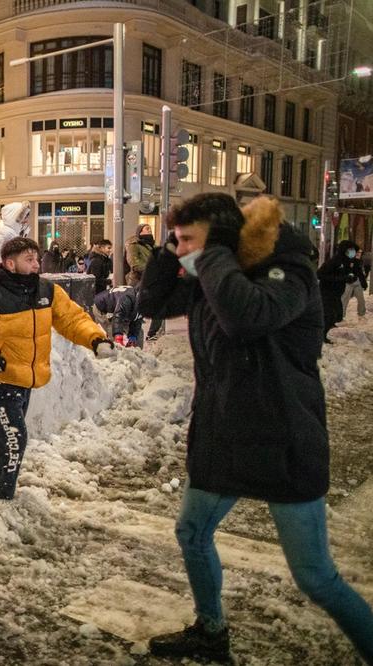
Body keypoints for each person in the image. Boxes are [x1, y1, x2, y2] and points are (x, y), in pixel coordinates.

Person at [137, 193, 373, 664]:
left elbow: (247, 317)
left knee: (315, 575)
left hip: (283, 436)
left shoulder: (290, 269)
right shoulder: (213, 273)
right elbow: (153, 302)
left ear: (222, 241)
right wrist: (170, 250)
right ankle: (211, 630)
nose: (182, 249)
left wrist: (213, 255)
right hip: (223, 434)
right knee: (192, 531)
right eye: (176, 240)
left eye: (189, 240)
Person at [0, 236, 114, 500]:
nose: (37, 264)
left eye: (36, 258)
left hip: (28, 378)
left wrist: (95, 338)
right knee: (15, 437)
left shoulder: (46, 291)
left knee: (1, 431)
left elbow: (72, 319)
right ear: (10, 264)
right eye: (30, 260)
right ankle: (3, 496)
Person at [317, 241, 356, 343]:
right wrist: (342, 278)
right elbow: (320, 274)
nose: (352, 252)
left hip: (336, 293)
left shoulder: (346, 261)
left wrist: (350, 278)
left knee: (337, 315)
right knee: (329, 314)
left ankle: (329, 326)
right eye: (350, 249)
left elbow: (345, 275)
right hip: (327, 292)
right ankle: (322, 335)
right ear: (344, 250)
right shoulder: (334, 261)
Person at [0, 201, 31, 271]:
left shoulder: (14, 232)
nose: (26, 221)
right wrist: (10, 263)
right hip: (5, 274)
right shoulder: (5, 232)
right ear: (14, 217)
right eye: (24, 217)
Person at [341, 245, 367, 318]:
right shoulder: (348, 260)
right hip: (348, 282)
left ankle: (362, 313)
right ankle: (341, 315)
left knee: (361, 299)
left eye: (360, 253)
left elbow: (360, 273)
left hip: (357, 281)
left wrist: (364, 283)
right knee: (345, 299)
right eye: (358, 252)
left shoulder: (359, 261)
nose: (359, 254)